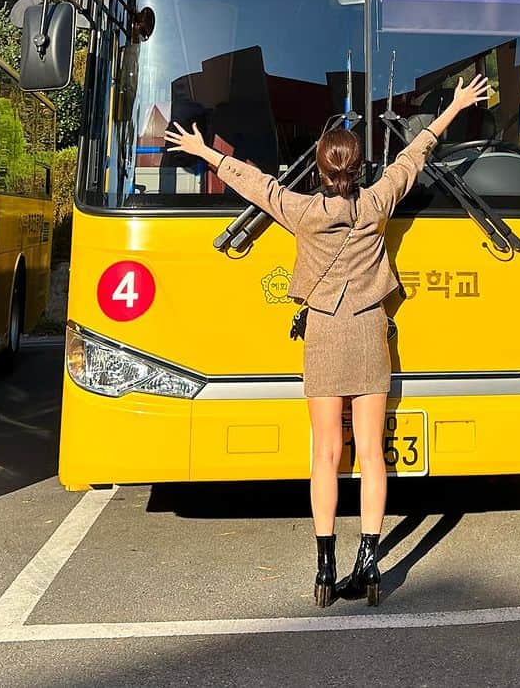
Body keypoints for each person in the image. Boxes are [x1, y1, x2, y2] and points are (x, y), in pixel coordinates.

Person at [163, 74, 491, 608]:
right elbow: (414, 154)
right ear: (359, 169)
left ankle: (324, 565)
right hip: (368, 335)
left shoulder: (303, 213)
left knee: (324, 454)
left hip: (323, 336)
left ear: (320, 169)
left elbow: (256, 184)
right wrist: (453, 106)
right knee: (371, 454)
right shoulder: (377, 204)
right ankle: (369, 560)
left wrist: (204, 151)